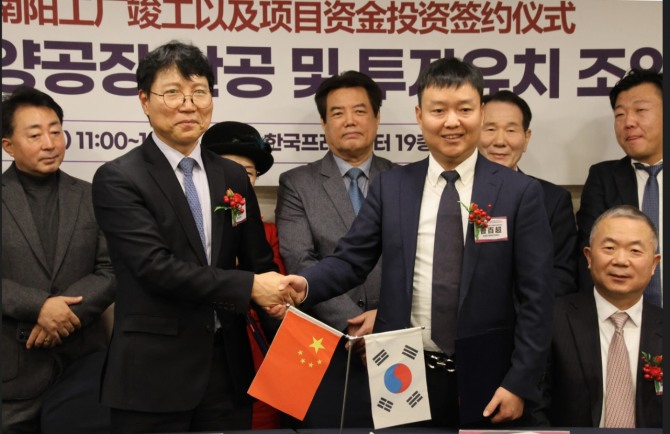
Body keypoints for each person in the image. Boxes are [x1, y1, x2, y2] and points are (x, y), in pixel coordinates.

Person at [279, 57, 554, 429]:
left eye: (464, 109)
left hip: (490, 375)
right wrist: (306, 284)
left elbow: (537, 298)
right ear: (420, 116)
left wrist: (520, 381)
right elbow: (350, 261)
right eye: (438, 110)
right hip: (401, 369)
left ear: (481, 111)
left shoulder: (518, 192)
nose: (451, 122)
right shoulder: (392, 186)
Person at [90, 41, 286, 433]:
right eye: (173, 93)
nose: (188, 105)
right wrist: (250, 286)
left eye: (199, 92)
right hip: (152, 375)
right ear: (145, 101)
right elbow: (155, 268)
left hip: (227, 371)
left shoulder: (232, 177)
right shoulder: (119, 178)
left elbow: (258, 262)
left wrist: (283, 318)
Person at [274, 70, 394, 428]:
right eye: (337, 113)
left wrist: (385, 321)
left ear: (376, 118)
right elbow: (301, 261)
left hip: (395, 337)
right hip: (322, 342)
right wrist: (355, 326)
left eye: (360, 110)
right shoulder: (297, 183)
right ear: (324, 124)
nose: (350, 120)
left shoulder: (404, 180)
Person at [2, 86, 115, 433]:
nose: (50, 143)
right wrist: (39, 306)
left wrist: (63, 315)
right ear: (8, 145)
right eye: (35, 135)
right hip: (12, 373)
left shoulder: (93, 195)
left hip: (84, 368)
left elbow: (111, 269)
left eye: (55, 131)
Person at [538, 205, 662, 427]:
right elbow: (534, 405)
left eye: (635, 251)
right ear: (588, 256)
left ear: (654, 264)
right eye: (609, 248)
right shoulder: (553, 318)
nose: (621, 260)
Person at [201, 120, 284, 429]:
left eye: (246, 174)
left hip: (253, 346)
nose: (236, 180)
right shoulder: (188, 228)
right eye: (227, 169)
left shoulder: (268, 234)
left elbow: (274, 285)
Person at [576, 68, 663, 305]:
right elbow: (588, 256)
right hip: (619, 316)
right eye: (620, 115)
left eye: (640, 111)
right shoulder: (602, 177)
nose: (628, 122)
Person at [479, 90, 577, 296]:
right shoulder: (454, 193)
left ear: (526, 138)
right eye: (490, 129)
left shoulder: (553, 200)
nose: (499, 141)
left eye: (511, 130)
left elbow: (562, 276)